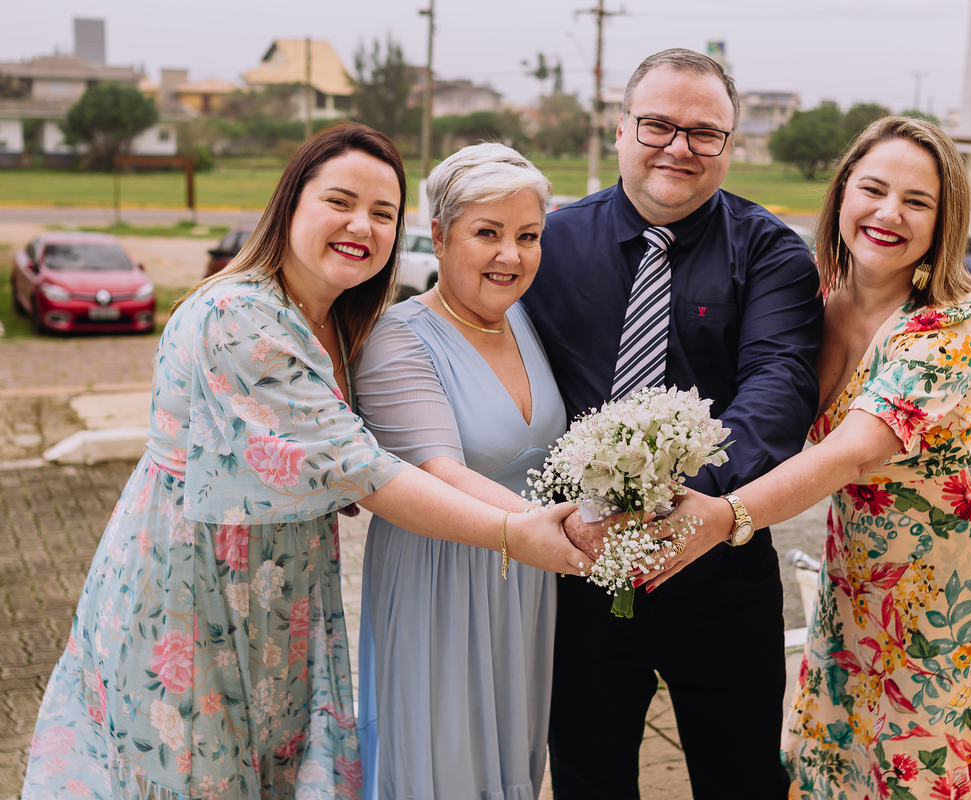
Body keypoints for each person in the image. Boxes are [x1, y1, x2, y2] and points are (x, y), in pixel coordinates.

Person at [21, 123, 587, 800]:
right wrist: (515, 532)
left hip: (285, 587)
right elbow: (361, 472)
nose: (362, 226)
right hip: (196, 587)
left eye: (383, 213)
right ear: (290, 203)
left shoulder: (336, 322)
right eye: (340, 202)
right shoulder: (238, 316)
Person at [655, 116, 971, 799]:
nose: (889, 213)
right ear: (841, 194)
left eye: (917, 201)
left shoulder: (952, 323)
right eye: (873, 189)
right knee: (841, 747)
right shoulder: (814, 298)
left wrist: (723, 516)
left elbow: (848, 454)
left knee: (922, 764)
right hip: (859, 566)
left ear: (943, 222)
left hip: (952, 581)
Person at [522, 49, 823, 799]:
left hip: (721, 561)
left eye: (704, 132)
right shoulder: (549, 246)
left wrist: (688, 504)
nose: (679, 147)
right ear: (620, 128)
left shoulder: (772, 252)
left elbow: (779, 385)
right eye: (657, 124)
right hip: (579, 570)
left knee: (742, 781)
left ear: (730, 144)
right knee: (588, 781)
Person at [351, 143, 565, 800]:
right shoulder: (397, 338)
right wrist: (565, 532)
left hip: (525, 581)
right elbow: (438, 471)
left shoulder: (523, 319)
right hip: (442, 578)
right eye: (488, 233)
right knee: (445, 765)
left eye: (527, 236)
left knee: (511, 759)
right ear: (439, 236)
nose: (511, 256)